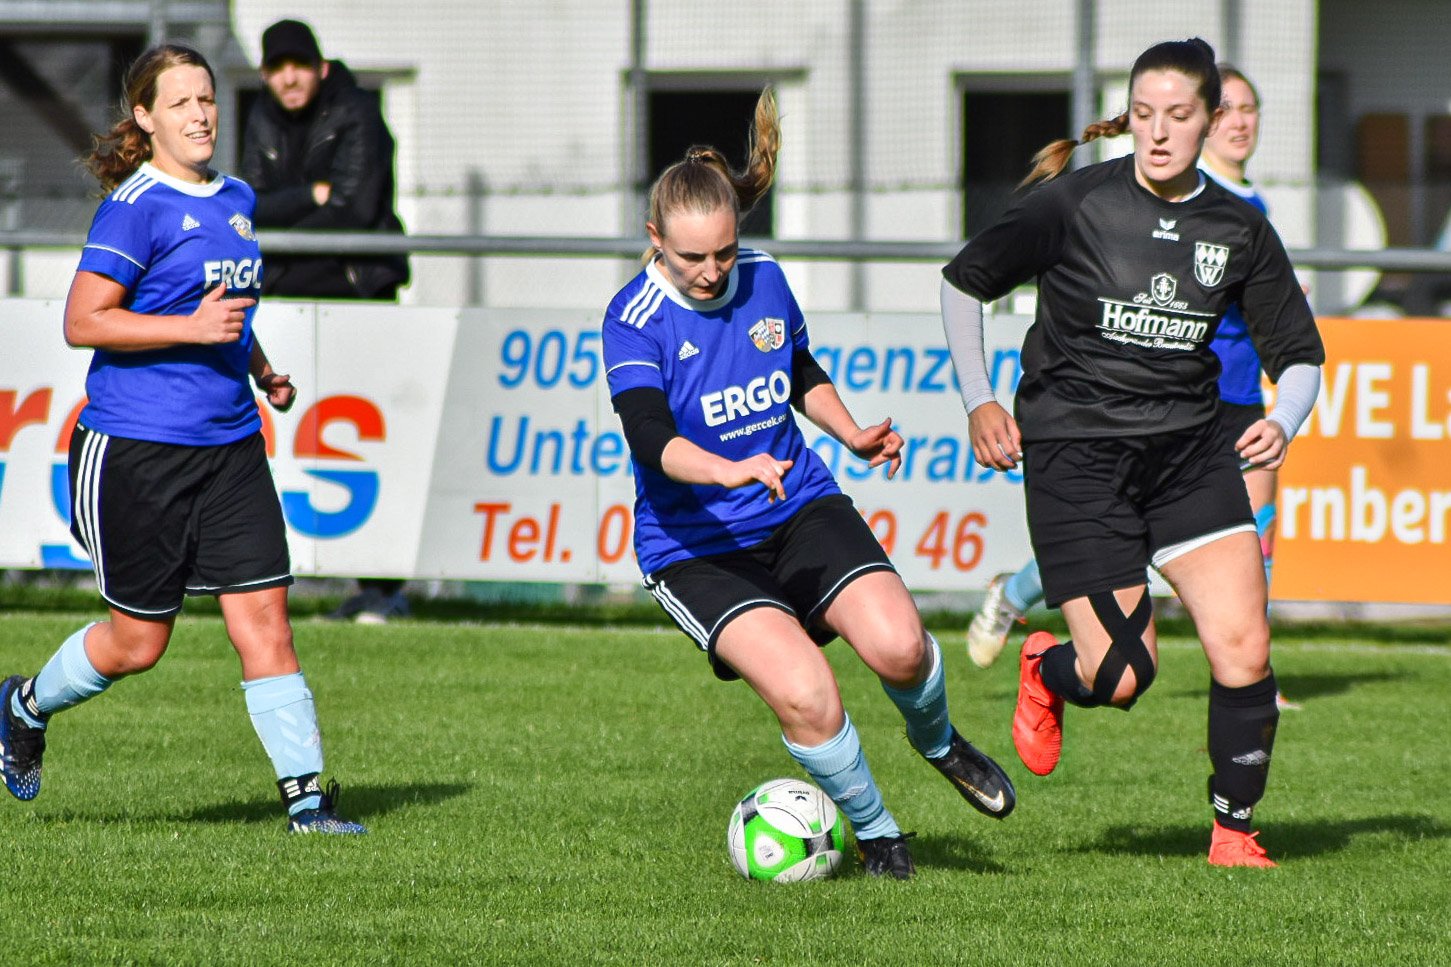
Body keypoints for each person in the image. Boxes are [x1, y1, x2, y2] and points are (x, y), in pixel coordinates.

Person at [602, 88, 1015, 880]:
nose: (710, 271)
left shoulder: (763, 279)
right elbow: (649, 435)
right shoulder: (633, 316)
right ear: (655, 240)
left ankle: (939, 743)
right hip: (697, 546)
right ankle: (880, 836)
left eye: (723, 252)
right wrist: (726, 467)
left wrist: (850, 430)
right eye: (691, 258)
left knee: (900, 646)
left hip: (795, 503)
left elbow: (796, 370)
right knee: (808, 692)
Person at [940, 39, 1324, 868]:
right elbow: (964, 279)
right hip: (1077, 459)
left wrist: (1285, 418)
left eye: (1177, 116)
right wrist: (978, 398)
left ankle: (1233, 832)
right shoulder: (1073, 203)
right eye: (1143, 114)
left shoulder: (1237, 226)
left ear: (1208, 121)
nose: (1156, 132)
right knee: (1120, 675)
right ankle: (1045, 668)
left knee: (1243, 645)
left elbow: (1299, 353)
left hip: (1189, 458)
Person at [0, 44, 364, 834]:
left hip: (232, 448)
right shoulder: (135, 206)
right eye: (180, 103)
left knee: (265, 620)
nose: (200, 114)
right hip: (136, 452)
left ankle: (307, 803)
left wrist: (260, 370)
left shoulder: (235, 196)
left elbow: (225, 308)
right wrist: (191, 328)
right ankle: (23, 704)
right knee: (138, 643)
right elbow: (83, 321)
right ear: (145, 117)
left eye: (207, 99)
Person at [966, 63, 1301, 712]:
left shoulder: (1248, 210)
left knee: (1255, 534)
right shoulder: (1139, 199)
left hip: (1237, 397)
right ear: (1208, 120)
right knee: (1120, 568)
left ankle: (1249, 662)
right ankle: (1017, 595)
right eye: (1228, 109)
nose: (1240, 122)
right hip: (1155, 409)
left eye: (1249, 109)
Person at [241, 18, 410, 623]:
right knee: (287, 441)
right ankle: (266, 579)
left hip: (356, 292)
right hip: (289, 297)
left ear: (320, 67)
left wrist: (285, 237)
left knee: (370, 440)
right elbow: (246, 206)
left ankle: (383, 590)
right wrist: (309, 196)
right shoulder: (260, 117)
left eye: (298, 65)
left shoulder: (358, 111)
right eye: (277, 68)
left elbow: (355, 210)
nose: (288, 78)